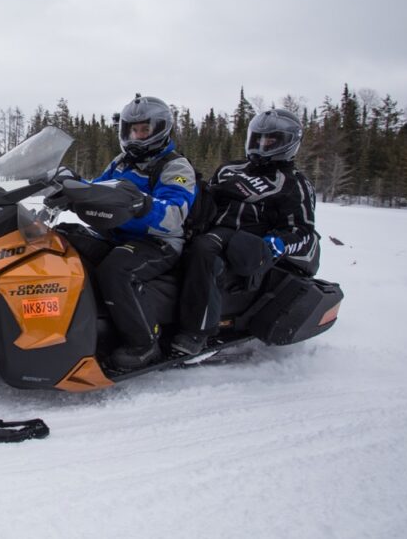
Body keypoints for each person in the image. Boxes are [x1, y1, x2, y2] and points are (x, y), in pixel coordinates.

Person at [172, 108, 319, 355]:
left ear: (288, 143)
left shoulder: (294, 183)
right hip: (211, 228)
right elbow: (208, 198)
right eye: (258, 138)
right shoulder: (230, 169)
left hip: (247, 239)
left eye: (270, 140)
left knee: (203, 250)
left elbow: (303, 230)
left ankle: (198, 331)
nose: (262, 145)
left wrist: (275, 244)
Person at [90, 94, 197, 370]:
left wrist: (144, 205)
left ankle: (144, 344)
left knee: (116, 269)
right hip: (118, 236)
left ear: (160, 129)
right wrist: (66, 185)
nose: (137, 136)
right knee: (65, 242)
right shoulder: (121, 163)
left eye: (144, 130)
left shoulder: (175, 166)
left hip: (159, 243)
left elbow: (174, 214)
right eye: (132, 130)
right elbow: (98, 189)